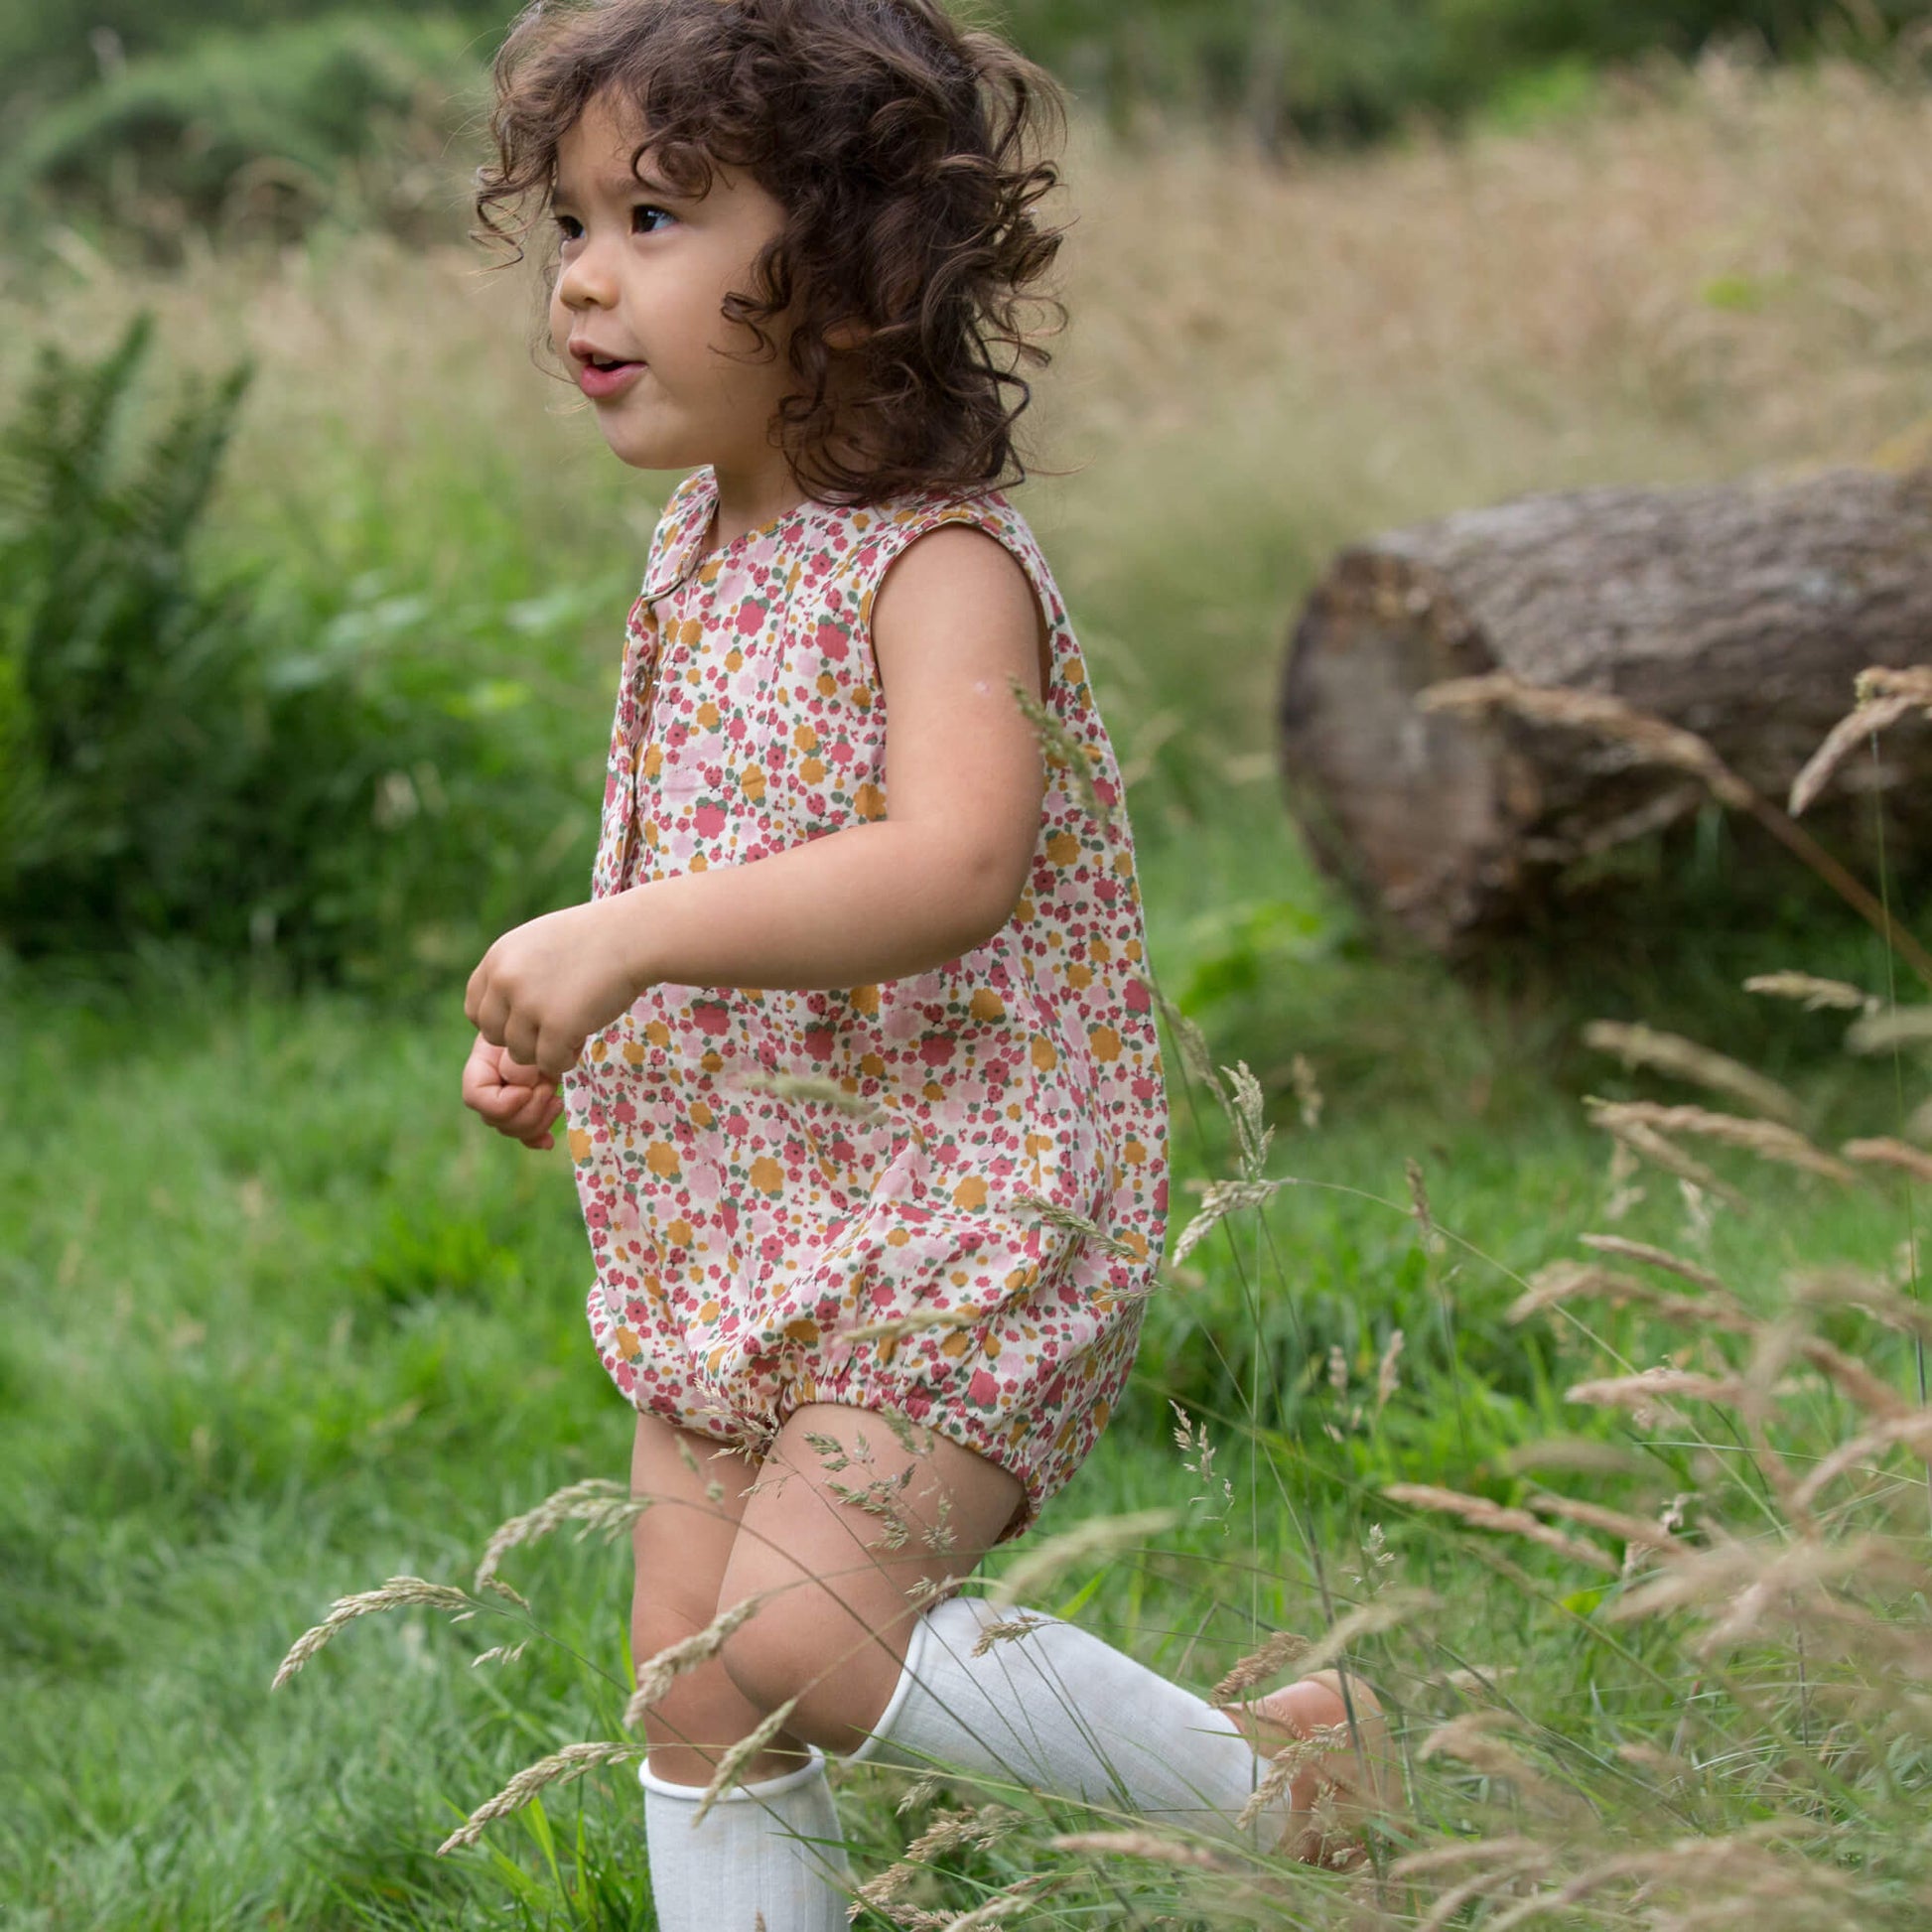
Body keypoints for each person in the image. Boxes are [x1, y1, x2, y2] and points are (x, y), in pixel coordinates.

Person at [458, 2, 1389, 1925]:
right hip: (741, 1215)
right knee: (693, 1688)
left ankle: (1274, 1773)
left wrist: (620, 938)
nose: (582, 283)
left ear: (854, 268)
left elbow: (952, 862)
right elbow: (702, 847)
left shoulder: (934, 561)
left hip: (951, 1214)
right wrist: (586, 1015)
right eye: (567, 227)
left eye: (650, 218)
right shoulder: (698, 548)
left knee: (803, 1637)